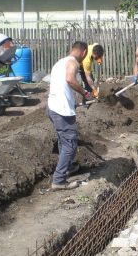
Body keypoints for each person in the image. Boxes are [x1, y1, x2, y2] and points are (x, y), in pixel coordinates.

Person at [47, 41, 92, 191]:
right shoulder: (73, 63)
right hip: (61, 110)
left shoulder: (60, 62)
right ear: (84, 52)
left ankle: (69, 167)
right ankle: (59, 180)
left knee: (63, 140)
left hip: (53, 107)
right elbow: (70, 80)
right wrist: (85, 93)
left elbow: (61, 86)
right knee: (70, 144)